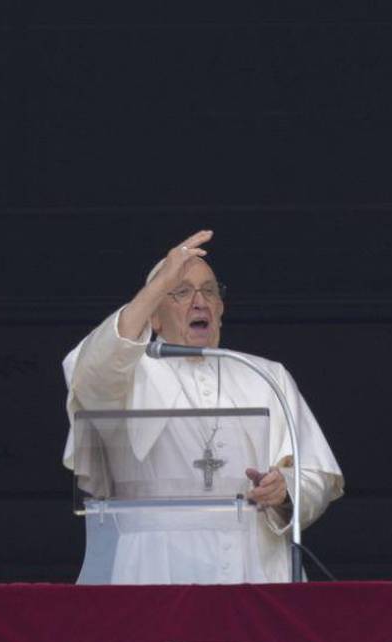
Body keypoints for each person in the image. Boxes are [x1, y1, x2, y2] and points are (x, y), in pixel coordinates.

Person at [62, 230, 344, 584]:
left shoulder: (264, 375)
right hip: (155, 567)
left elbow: (316, 475)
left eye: (209, 291)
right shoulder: (127, 376)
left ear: (221, 309)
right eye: (180, 292)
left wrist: (284, 489)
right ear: (154, 316)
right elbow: (91, 372)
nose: (200, 302)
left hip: (255, 565)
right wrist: (159, 281)